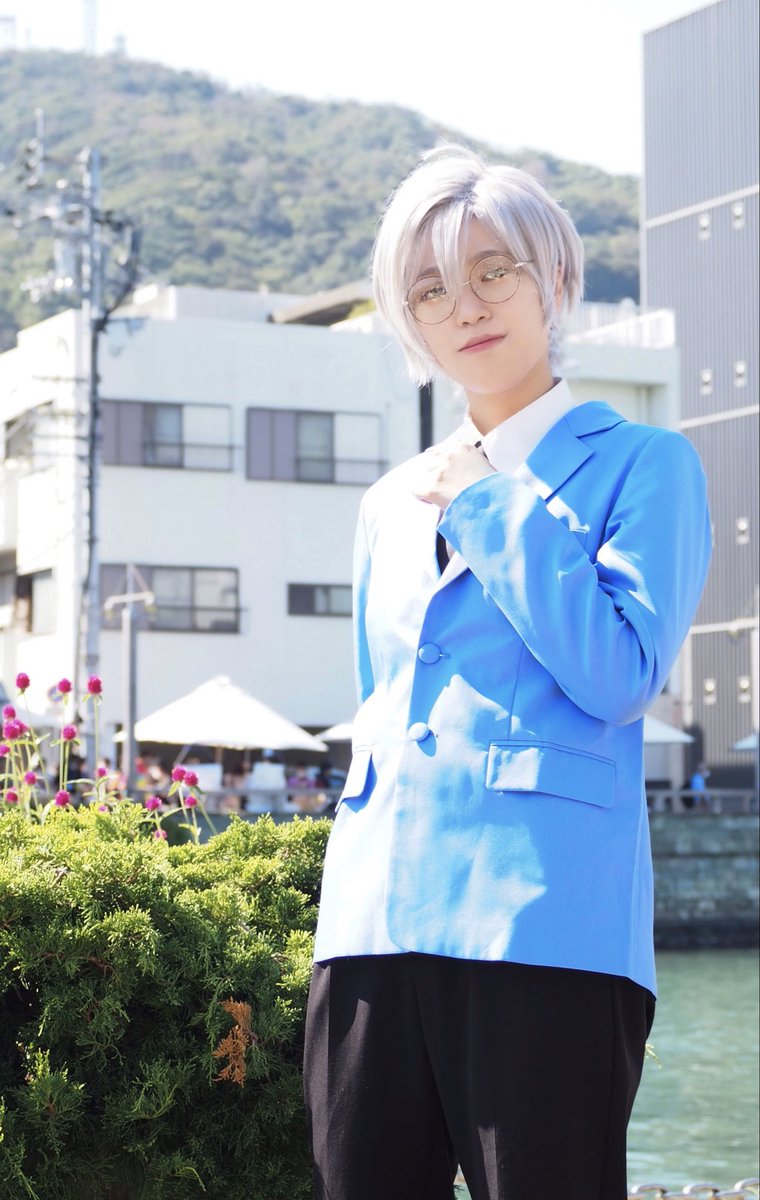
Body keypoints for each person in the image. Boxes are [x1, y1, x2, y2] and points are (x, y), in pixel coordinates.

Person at [302, 144, 713, 1200]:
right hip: (373, 920)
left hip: (545, 918)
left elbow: (620, 674)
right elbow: (383, 697)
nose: (466, 307)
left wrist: (488, 504)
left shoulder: (645, 464)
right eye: (430, 289)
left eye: (494, 270)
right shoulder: (388, 503)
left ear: (554, 277)